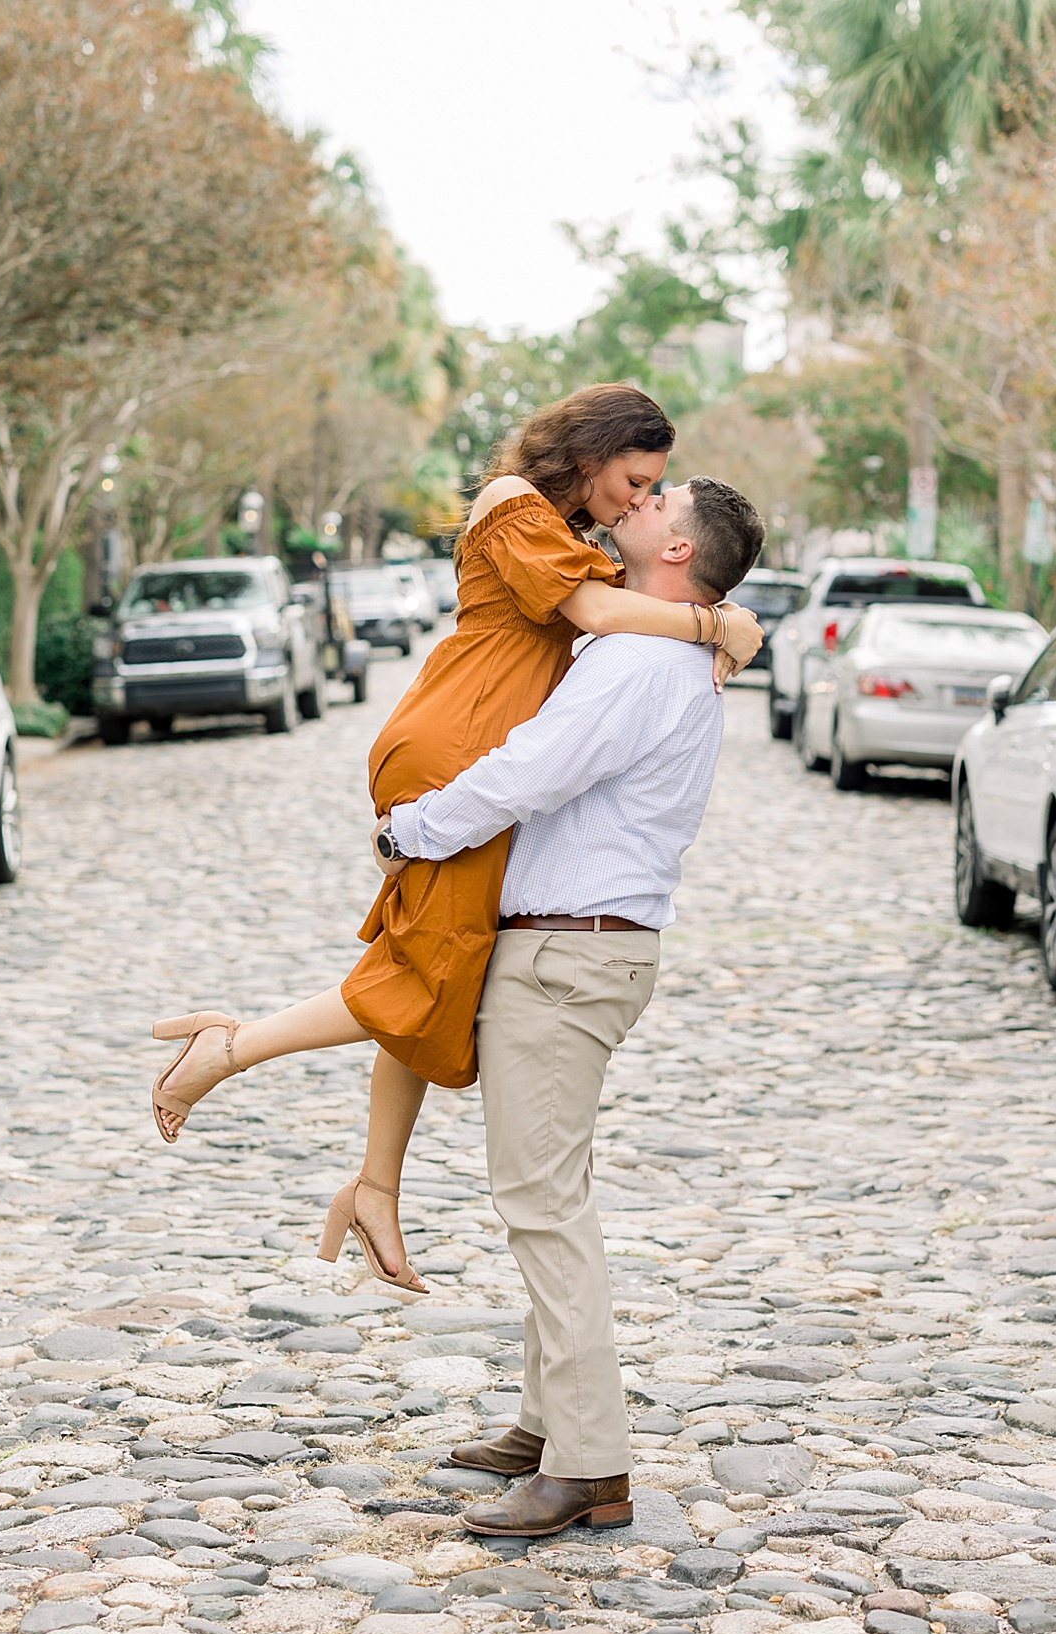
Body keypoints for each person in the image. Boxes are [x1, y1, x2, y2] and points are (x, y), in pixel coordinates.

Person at [147, 386, 763, 1295]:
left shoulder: (566, 531)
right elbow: (594, 618)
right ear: (592, 454)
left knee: (434, 965)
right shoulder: (512, 505)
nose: (636, 501)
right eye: (634, 481)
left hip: (478, 753)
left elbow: (607, 612)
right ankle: (230, 1048)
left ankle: (375, 1186)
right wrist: (721, 623)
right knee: (430, 967)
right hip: (455, 749)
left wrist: (721, 624)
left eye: (650, 493)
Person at [374, 473, 763, 1537]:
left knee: (543, 1205)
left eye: (654, 501)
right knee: (556, 1187)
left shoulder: (641, 658)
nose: (632, 505)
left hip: (566, 954)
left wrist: (412, 830)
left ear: (678, 551)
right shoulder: (664, 647)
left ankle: (590, 1460)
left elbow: (531, 769)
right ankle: (549, 1420)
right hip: (583, 949)